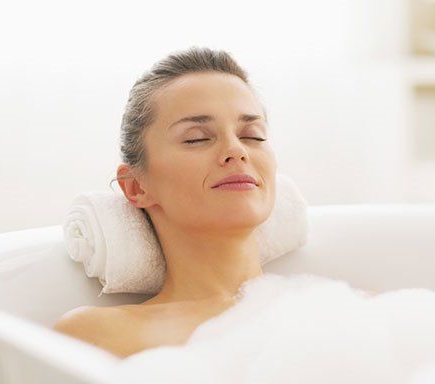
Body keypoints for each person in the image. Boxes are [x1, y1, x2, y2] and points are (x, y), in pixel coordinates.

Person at [53, 47, 277, 358]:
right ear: (136, 186)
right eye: (196, 138)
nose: (236, 150)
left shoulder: (339, 309)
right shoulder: (100, 335)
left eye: (253, 135)